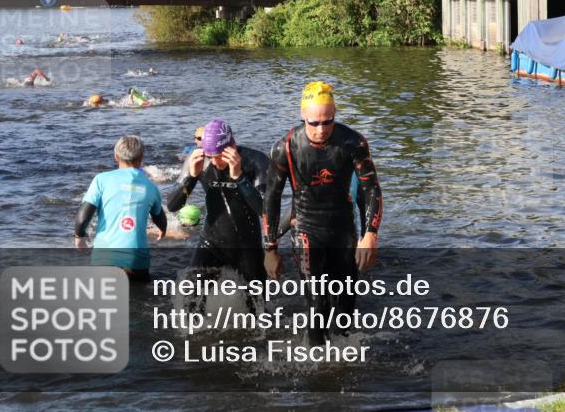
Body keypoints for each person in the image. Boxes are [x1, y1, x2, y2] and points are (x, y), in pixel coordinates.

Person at [263, 81, 383, 345]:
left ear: (334, 114)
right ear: (302, 115)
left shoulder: (353, 142)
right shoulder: (286, 147)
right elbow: (271, 198)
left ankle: (341, 361)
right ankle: (315, 363)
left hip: (342, 228)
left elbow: (372, 189)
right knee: (317, 302)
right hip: (306, 227)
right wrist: (270, 248)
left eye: (327, 122)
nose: (321, 129)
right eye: (313, 123)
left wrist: (370, 235)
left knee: (345, 305)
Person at [167, 118, 270, 286]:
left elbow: (265, 211)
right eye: (210, 156)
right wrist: (191, 178)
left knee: (256, 306)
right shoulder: (198, 160)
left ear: (232, 146)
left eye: (219, 156)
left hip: (247, 245)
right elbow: (173, 205)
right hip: (211, 242)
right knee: (189, 294)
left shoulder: (256, 161)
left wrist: (239, 177)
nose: (214, 162)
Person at [74, 135, 167, 283]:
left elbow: (83, 216)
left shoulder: (101, 180)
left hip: (104, 258)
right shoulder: (151, 187)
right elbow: (159, 216)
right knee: (140, 302)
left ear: (116, 156)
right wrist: (163, 229)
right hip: (137, 261)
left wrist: (80, 236)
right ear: (141, 157)